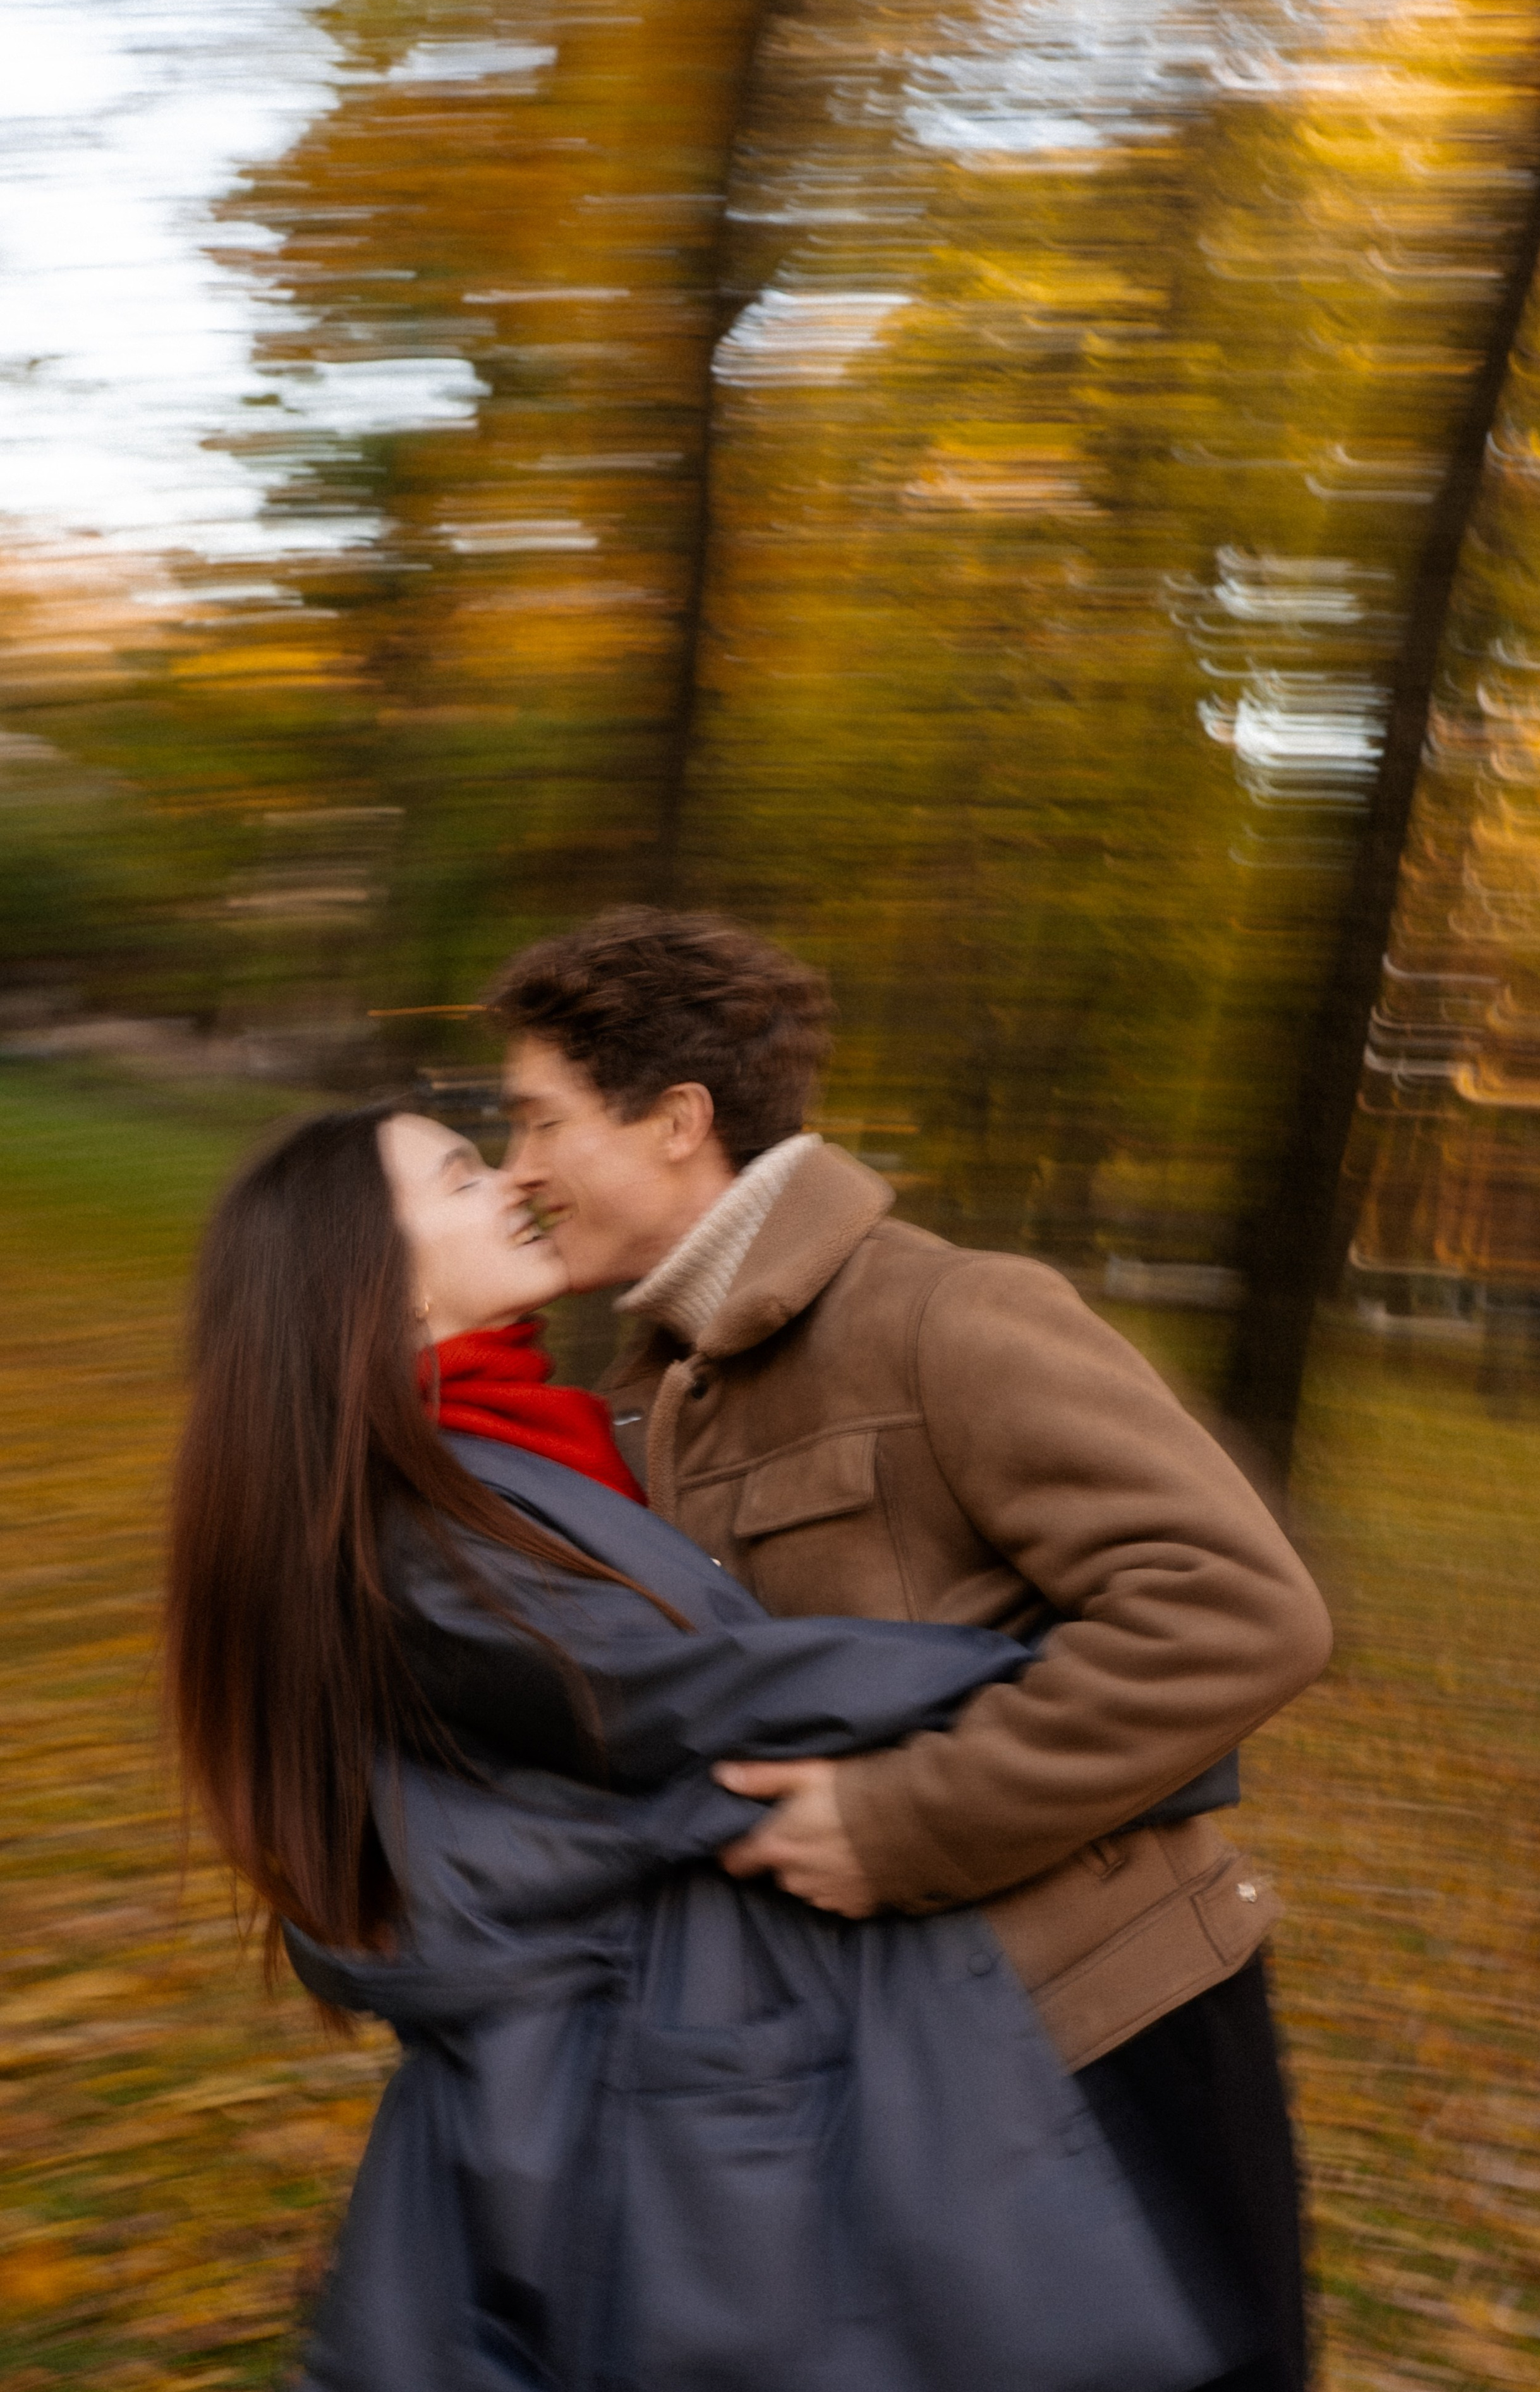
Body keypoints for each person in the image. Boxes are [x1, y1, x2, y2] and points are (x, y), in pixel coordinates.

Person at [166, 1102, 1269, 2392]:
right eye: (464, 1173)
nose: (509, 1180)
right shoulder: (410, 1520)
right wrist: (1080, 1688)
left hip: (709, 2057)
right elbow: (687, 1693)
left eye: (520, 1133)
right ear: (380, 1288)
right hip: (644, 2092)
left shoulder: (551, 1433)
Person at [489, 906, 1337, 2392]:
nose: (519, 1170)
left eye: (538, 1120)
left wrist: (901, 1821)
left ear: (677, 1121)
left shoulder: (940, 1314)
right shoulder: (651, 1393)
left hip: (1108, 2037)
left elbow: (1235, 1608)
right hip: (882, 2075)